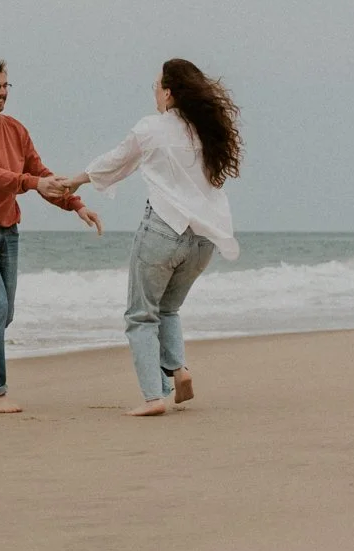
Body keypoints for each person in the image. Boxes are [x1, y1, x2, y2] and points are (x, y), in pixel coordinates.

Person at [54, 58, 243, 416]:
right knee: (168, 308)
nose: (154, 93)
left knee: (140, 315)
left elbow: (117, 161)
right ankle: (179, 370)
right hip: (203, 241)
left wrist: (75, 180)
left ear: (169, 93)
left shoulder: (152, 128)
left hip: (163, 231)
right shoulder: (207, 132)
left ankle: (154, 397)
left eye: (156, 86)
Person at [0, 58, 103, 413]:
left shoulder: (15, 130)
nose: (2, 93)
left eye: (5, 87)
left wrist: (76, 205)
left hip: (7, 229)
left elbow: (40, 173)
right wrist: (32, 183)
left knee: (4, 312)